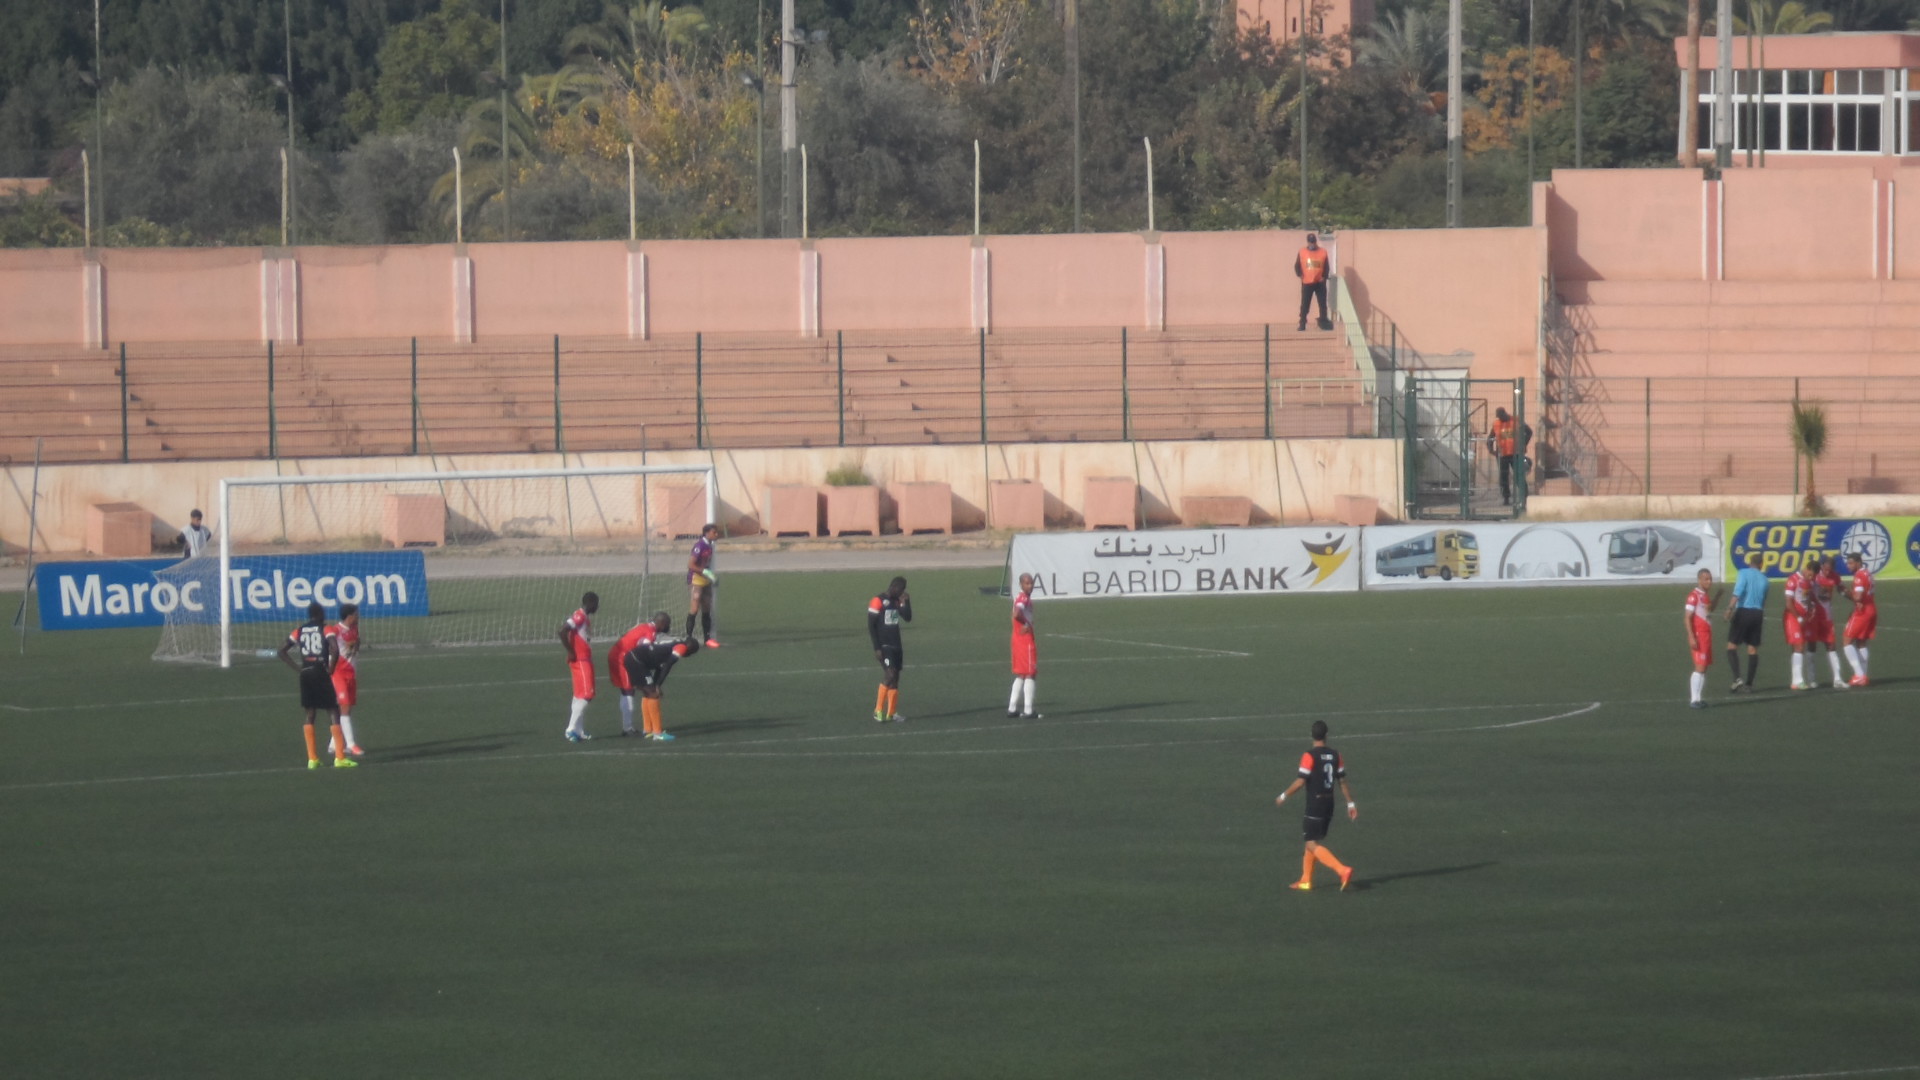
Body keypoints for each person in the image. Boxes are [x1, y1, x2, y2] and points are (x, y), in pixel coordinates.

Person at [1275, 720, 1356, 891]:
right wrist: (1350, 803)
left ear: (1311, 736)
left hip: (1315, 804)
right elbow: (1342, 781)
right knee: (1310, 841)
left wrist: (1284, 795)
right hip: (1329, 803)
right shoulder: (1336, 755)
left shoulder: (1309, 756)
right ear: (1326, 735)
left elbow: (1300, 781)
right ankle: (1305, 880)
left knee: (1311, 842)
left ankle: (1342, 870)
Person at [277, 601, 355, 770]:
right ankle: (340, 757)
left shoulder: (300, 630)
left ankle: (312, 759)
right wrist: (331, 668)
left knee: (310, 713)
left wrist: (298, 668)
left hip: (306, 673)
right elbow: (334, 648)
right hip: (321, 671)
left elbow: (281, 651)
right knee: (333, 710)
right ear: (320, 614)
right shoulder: (325, 629)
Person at [623, 621, 701, 741]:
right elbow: (667, 665)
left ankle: (648, 730)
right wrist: (657, 686)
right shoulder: (682, 647)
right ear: (690, 649)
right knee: (653, 694)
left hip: (632, 658)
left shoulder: (674, 644)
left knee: (648, 693)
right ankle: (658, 733)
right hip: (637, 660)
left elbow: (660, 667)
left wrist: (656, 684)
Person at [324, 603, 366, 758]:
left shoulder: (354, 628)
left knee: (346, 710)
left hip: (351, 673)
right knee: (345, 708)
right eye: (356, 614)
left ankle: (333, 744)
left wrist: (355, 646)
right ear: (349, 616)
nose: (358, 616)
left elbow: (356, 642)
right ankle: (350, 745)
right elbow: (329, 649)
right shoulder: (335, 631)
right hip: (338, 674)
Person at [868, 576, 912, 723]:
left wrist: (906, 602)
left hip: (896, 645)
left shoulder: (897, 600)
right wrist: (877, 648)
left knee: (895, 679)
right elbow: (871, 626)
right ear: (894, 587)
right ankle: (878, 710)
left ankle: (892, 713)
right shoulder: (878, 600)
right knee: (890, 674)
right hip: (884, 646)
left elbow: (907, 617)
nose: (902, 592)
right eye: (901, 589)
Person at [608, 614, 661, 737]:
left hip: (616, 654)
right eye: (667, 624)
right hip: (621, 658)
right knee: (628, 690)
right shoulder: (651, 632)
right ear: (661, 624)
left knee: (627, 690)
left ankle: (628, 727)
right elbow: (646, 648)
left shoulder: (643, 625)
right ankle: (627, 728)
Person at [559, 591, 599, 742]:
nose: (598, 607)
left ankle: (578, 730)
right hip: (581, 660)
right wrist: (570, 651)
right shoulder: (580, 615)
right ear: (591, 604)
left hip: (584, 659)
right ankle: (570, 729)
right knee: (587, 695)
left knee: (578, 695)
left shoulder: (584, 617)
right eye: (596, 603)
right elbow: (562, 631)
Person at [1725, 553, 1768, 692]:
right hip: (1758, 613)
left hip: (1743, 611)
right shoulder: (1765, 579)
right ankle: (1749, 684)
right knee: (1752, 648)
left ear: (1750, 562)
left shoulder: (1743, 573)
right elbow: (1763, 599)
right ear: (1761, 564)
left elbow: (1738, 592)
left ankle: (1737, 678)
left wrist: (1730, 608)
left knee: (1731, 646)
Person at [1805, 555, 1847, 689]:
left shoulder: (1835, 576)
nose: (1828, 572)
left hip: (1827, 616)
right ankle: (1811, 679)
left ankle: (1838, 679)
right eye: (1826, 570)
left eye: (1830, 570)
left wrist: (1852, 597)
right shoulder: (1815, 576)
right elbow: (1806, 592)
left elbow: (1841, 588)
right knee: (1812, 645)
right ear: (1822, 567)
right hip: (1813, 616)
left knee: (1831, 645)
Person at [1007, 573, 1040, 719]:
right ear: (1021, 584)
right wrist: (1026, 623)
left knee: (1021, 673)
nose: (1030, 586)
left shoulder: (1020, 598)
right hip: (1025, 640)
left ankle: (1012, 707)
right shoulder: (1023, 598)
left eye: (1031, 583)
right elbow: (1016, 613)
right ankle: (1028, 710)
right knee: (1030, 673)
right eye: (1027, 583)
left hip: (1017, 639)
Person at [1843, 548, 1876, 687]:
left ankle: (1859, 675)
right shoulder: (1867, 573)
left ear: (1858, 562)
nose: (1848, 566)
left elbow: (1858, 596)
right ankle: (1863, 674)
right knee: (1861, 643)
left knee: (1847, 641)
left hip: (1862, 612)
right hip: (1871, 609)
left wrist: (1845, 593)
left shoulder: (1859, 576)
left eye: (1851, 563)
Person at [1684, 569, 1715, 709]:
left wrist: (1719, 596)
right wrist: (1691, 636)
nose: (1709, 582)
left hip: (1707, 635)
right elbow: (1687, 617)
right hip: (1699, 634)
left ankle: (1698, 698)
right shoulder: (1693, 596)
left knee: (1704, 667)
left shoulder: (1705, 596)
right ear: (1699, 580)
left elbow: (1709, 611)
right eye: (1706, 579)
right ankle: (1694, 699)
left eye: (1710, 579)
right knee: (1700, 667)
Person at [686, 523, 720, 648]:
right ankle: (688, 638)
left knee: (707, 608)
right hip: (696, 580)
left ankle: (707, 639)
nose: (716, 535)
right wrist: (704, 571)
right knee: (695, 608)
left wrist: (711, 576)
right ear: (707, 533)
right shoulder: (699, 546)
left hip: (705, 580)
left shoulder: (710, 546)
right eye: (714, 532)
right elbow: (691, 565)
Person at [1783, 562, 1813, 691]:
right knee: (1799, 645)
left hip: (1802, 618)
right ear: (1806, 569)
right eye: (1810, 574)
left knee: (1799, 647)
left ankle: (1795, 681)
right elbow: (1789, 603)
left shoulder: (1807, 582)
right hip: (1792, 617)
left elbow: (1807, 599)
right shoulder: (1792, 580)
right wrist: (1799, 617)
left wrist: (1811, 608)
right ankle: (1799, 680)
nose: (1811, 577)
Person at [1293, 232, 1330, 332]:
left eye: (1313, 242)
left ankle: (1324, 323)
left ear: (1315, 242)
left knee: (1322, 303)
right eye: (1310, 242)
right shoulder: (1302, 252)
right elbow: (1297, 266)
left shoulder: (1323, 252)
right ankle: (1302, 323)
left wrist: (1324, 277)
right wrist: (1300, 275)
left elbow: (1326, 266)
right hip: (1307, 282)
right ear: (1308, 242)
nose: (1312, 244)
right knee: (1305, 304)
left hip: (1319, 282)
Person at [1488, 408, 1519, 506]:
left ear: (1505, 413)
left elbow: (1527, 432)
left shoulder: (1515, 420)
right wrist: (1490, 449)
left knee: (1518, 475)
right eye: (1499, 417)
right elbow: (1490, 437)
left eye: (1502, 416)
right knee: (1503, 476)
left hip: (1515, 453)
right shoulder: (1496, 424)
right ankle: (1506, 497)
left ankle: (1523, 497)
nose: (1501, 418)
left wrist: (1524, 445)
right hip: (1502, 454)